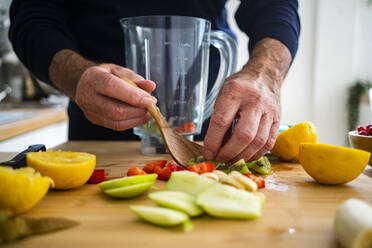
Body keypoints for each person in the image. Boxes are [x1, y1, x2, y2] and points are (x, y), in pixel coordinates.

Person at [8, 0, 300, 163]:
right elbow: (33, 17)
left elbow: (274, 4)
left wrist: (266, 75)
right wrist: (78, 76)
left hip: (207, 138)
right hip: (95, 130)